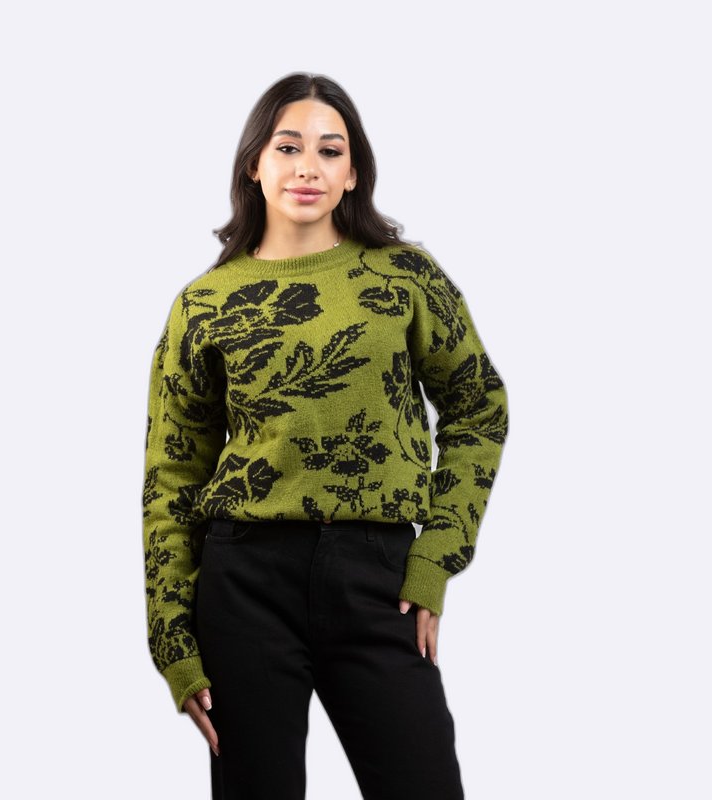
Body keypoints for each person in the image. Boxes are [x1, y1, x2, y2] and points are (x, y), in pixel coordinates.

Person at [142, 72, 509, 799]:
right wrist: (173, 640)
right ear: (255, 164)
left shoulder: (405, 278)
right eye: (287, 147)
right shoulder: (204, 303)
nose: (307, 167)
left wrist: (435, 559)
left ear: (352, 174)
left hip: (378, 577)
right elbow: (172, 476)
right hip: (243, 583)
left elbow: (479, 408)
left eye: (329, 150)